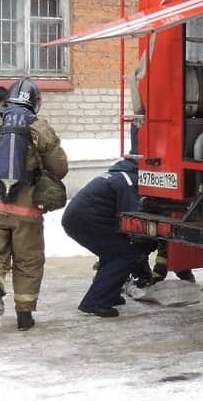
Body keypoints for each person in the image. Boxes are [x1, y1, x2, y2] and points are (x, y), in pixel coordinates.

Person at [0, 77, 68, 337]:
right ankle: (24, 315)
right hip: (27, 208)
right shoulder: (40, 128)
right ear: (35, 103)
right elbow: (60, 167)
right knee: (28, 261)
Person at [62, 125, 150, 318]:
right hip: (84, 221)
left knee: (112, 251)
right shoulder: (129, 181)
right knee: (126, 252)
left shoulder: (119, 173)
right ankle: (95, 301)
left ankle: (108, 293)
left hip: (79, 219)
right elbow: (131, 218)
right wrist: (144, 249)